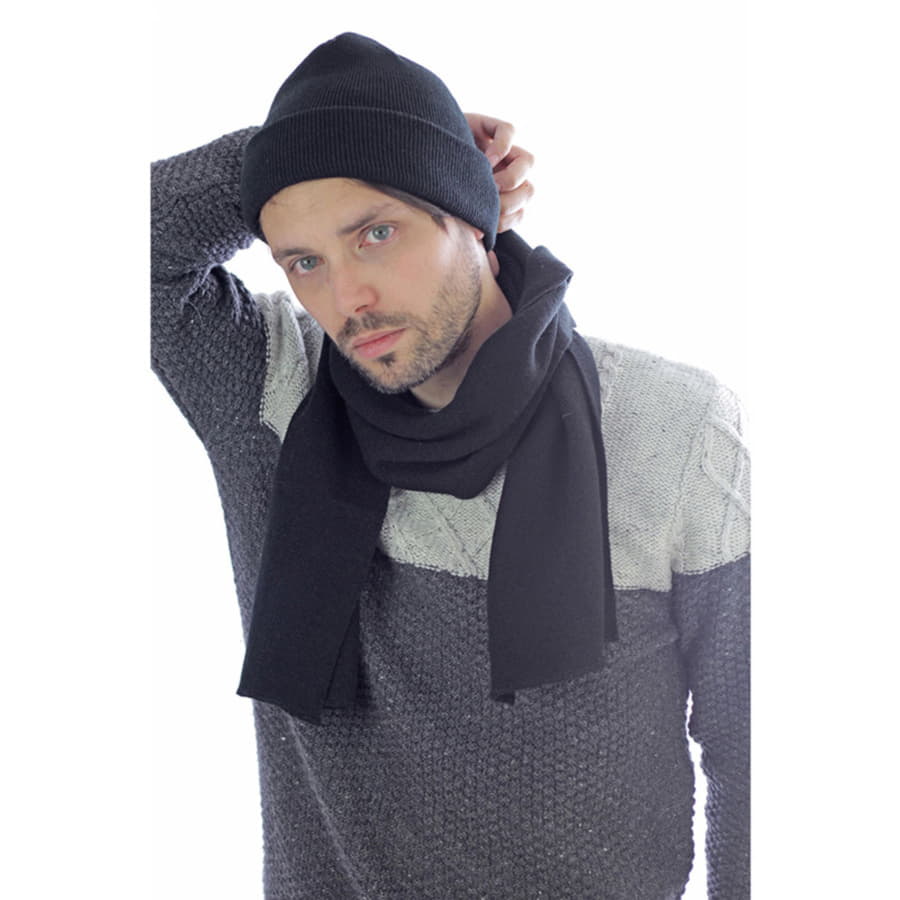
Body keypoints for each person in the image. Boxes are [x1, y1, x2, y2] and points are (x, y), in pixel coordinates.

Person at [151, 32, 750, 900]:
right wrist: (320, 138)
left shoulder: (675, 428)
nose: (347, 299)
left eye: (376, 233)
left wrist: (401, 137)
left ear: (473, 212)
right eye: (305, 261)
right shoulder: (269, 390)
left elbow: (754, 749)